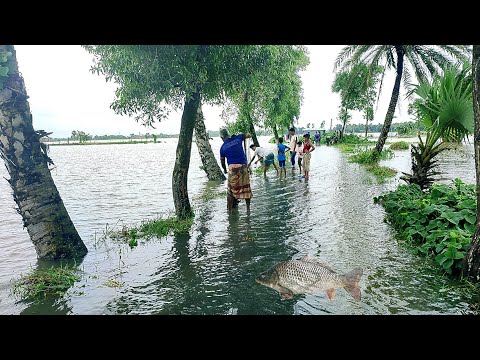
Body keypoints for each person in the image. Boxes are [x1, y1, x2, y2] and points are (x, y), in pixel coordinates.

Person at [219, 128, 252, 212]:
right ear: (228, 134)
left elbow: (222, 162)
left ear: (222, 138)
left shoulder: (222, 148)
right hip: (243, 167)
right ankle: (248, 209)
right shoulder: (238, 138)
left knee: (230, 191)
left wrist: (225, 170)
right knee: (246, 189)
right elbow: (248, 135)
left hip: (232, 168)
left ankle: (229, 210)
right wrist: (241, 134)